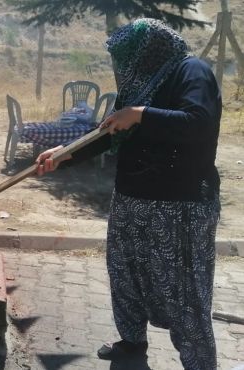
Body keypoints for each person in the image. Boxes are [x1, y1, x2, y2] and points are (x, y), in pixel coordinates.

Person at [36, 19, 221, 369]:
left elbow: (198, 122)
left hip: (180, 205)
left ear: (149, 51)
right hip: (132, 198)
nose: (123, 68)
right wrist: (63, 155)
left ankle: (200, 364)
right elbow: (107, 133)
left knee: (183, 293)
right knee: (125, 274)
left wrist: (141, 115)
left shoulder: (192, 72)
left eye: (127, 58)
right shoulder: (139, 85)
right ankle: (132, 344)